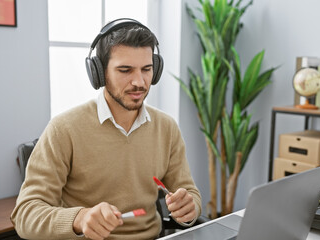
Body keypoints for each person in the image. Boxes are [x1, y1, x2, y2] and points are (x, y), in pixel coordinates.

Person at [11, 18, 201, 240]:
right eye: (125, 70)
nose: (139, 82)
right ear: (99, 72)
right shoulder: (64, 129)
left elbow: (189, 193)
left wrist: (189, 208)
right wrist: (80, 218)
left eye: (147, 69)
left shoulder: (166, 127)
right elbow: (25, 215)